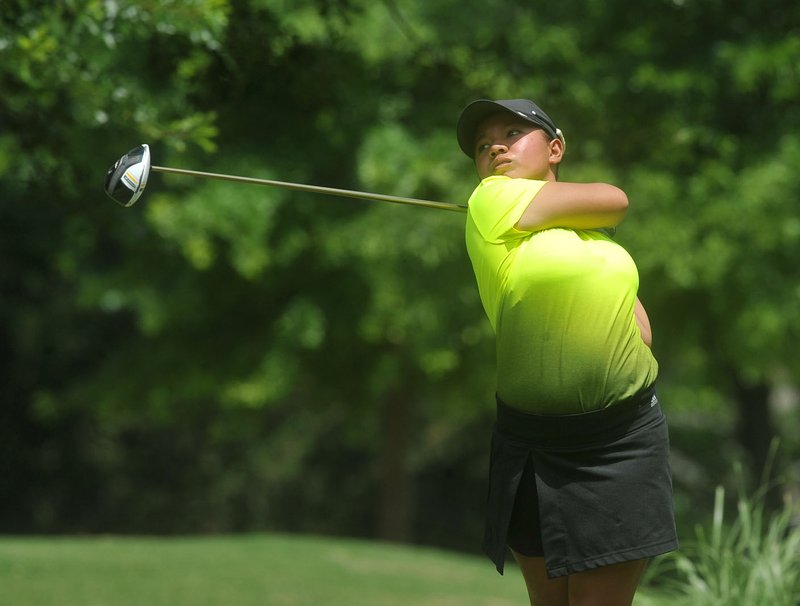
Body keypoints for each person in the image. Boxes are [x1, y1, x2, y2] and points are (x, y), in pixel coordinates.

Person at [455, 98, 678, 606]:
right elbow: (615, 197)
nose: (495, 146)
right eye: (484, 143)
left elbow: (639, 327)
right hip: (534, 439)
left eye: (513, 132)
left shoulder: (596, 242)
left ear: (555, 148)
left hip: (622, 437)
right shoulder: (491, 199)